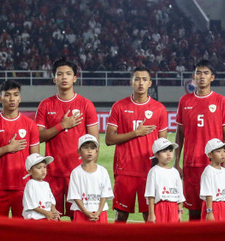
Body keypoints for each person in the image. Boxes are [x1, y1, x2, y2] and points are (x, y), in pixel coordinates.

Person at [36, 57, 99, 218]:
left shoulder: (86, 105)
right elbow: (38, 137)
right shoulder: (45, 105)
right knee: (51, 218)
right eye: (60, 74)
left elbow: (94, 141)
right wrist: (61, 125)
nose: (64, 77)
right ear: (54, 78)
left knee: (78, 218)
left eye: (68, 74)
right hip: (51, 172)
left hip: (78, 173)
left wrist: (90, 171)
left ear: (75, 78)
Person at [106, 66, 169, 223]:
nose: (141, 83)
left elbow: (163, 144)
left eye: (144, 79)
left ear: (150, 83)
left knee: (149, 215)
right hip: (125, 169)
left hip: (149, 170)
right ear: (131, 82)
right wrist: (135, 133)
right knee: (121, 215)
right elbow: (109, 139)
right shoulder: (119, 107)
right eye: (137, 79)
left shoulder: (159, 109)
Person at [174, 60, 225, 220]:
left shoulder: (221, 101)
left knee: (214, 208)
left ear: (212, 77)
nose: (202, 76)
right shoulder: (184, 101)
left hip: (213, 165)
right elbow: (179, 134)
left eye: (206, 73)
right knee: (193, 210)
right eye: (198, 72)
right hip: (191, 163)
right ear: (193, 76)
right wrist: (176, 162)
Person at [0, 80, 40, 217]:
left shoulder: (30, 125)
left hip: (23, 187)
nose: (12, 98)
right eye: (7, 95)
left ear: (20, 98)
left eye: (15, 94)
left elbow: (35, 159)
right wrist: (8, 148)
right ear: (0, 98)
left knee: (22, 231)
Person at [67, 134, 113, 223]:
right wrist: (85, 211)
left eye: (92, 148)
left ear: (96, 151)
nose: (89, 151)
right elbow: (75, 195)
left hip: (100, 212)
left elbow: (105, 194)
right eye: (85, 147)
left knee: (100, 236)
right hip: (81, 213)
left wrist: (99, 212)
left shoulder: (103, 171)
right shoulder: (76, 173)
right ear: (79, 151)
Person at [145, 137, 185, 223]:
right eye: (164, 151)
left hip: (173, 208)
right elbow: (151, 195)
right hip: (159, 208)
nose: (168, 154)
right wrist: (152, 214)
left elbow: (179, 194)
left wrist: (179, 212)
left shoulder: (175, 172)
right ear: (156, 154)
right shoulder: (154, 172)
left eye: (170, 151)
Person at [200, 138, 225, 221]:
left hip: (224, 206)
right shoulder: (208, 171)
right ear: (210, 155)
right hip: (212, 206)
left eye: (224, 151)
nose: (222, 154)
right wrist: (209, 212)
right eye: (219, 151)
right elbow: (208, 193)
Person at [22, 153, 60, 220]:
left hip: (47, 215)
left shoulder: (46, 184)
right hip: (35, 218)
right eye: (39, 168)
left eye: (44, 167)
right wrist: (46, 213)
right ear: (30, 171)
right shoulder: (30, 184)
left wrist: (53, 210)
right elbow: (31, 204)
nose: (43, 170)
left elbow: (51, 200)